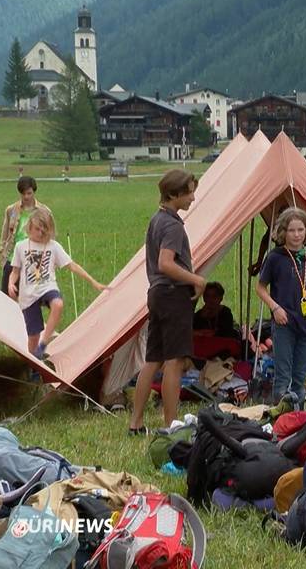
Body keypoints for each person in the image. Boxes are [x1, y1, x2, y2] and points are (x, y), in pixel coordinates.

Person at [129, 169, 205, 435]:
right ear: (174, 194)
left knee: (153, 360)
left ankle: (136, 423)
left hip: (157, 294)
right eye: (189, 193)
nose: (193, 199)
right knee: (174, 361)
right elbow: (165, 263)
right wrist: (196, 280)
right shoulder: (173, 225)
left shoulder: (157, 219)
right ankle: (171, 425)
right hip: (173, 295)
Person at [255, 208, 306, 408]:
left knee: (301, 374)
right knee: (283, 374)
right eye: (292, 230)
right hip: (284, 323)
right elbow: (260, 288)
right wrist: (275, 308)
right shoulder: (275, 257)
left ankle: (300, 414)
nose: (297, 235)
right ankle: (281, 415)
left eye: (300, 230)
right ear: (283, 232)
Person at [7, 208, 106, 357]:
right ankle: (34, 362)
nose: (40, 233)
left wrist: (93, 282)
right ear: (29, 228)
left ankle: (44, 343)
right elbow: (15, 271)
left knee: (58, 304)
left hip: (47, 286)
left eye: (43, 231)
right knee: (33, 335)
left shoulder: (53, 246)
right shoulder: (20, 246)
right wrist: (10, 283)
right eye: (37, 229)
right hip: (28, 294)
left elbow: (72, 265)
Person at [0, 176, 50, 294]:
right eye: (23, 194)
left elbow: (49, 236)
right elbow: (5, 233)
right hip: (13, 260)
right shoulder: (11, 210)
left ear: (34, 192)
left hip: (34, 261)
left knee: (31, 299)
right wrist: (2, 252)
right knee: (7, 297)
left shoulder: (44, 211)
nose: (26, 197)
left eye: (29, 193)